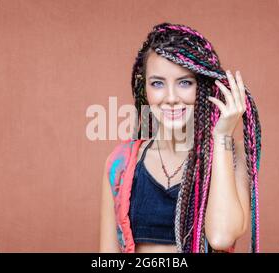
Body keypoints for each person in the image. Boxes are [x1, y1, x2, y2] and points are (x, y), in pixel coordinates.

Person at [99, 22, 262, 253]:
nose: (172, 97)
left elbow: (221, 237)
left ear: (206, 86)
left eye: (185, 82)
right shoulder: (121, 162)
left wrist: (222, 135)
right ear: (144, 88)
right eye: (157, 83)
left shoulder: (233, 155)